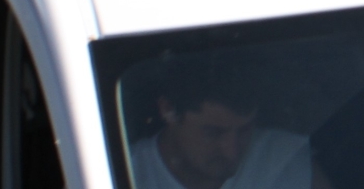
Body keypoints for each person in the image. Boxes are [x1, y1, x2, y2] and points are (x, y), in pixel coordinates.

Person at [132, 58, 326, 189]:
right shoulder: (123, 172)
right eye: (213, 133)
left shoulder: (282, 158)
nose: (231, 151)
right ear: (168, 110)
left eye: (244, 130)